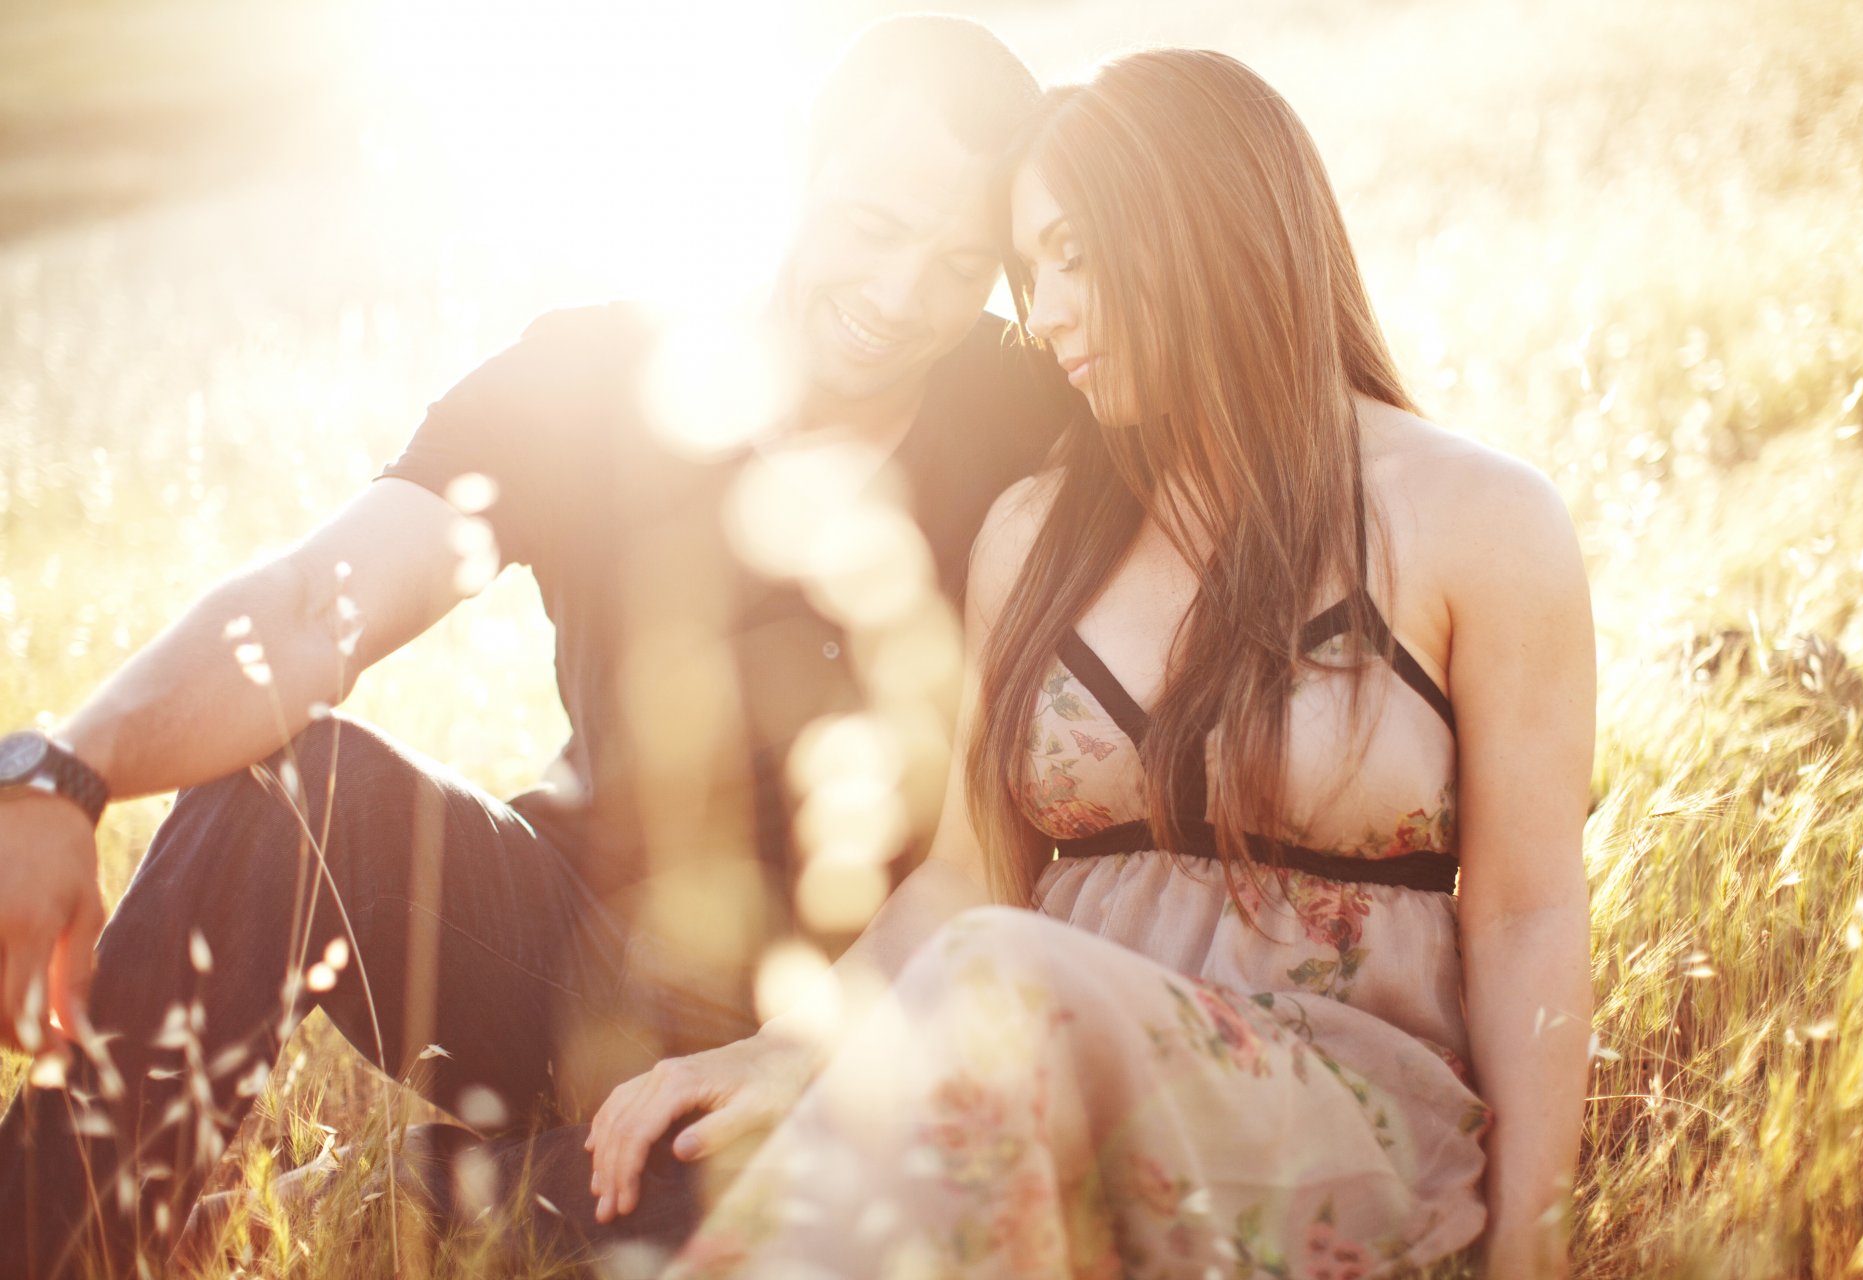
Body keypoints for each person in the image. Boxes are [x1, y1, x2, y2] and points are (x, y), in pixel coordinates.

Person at [0, 16, 1075, 1276]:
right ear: (800, 158)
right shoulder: (594, 376)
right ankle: (46, 1234)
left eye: (961, 263)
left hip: (845, 1029)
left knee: (848, 1219)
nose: (904, 301)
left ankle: (442, 1192)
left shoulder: (1030, 417)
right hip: (567, 953)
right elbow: (310, 605)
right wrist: (63, 770)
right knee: (289, 790)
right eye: (877, 228)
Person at [582, 49, 1596, 1280]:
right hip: (1040, 1110)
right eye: (1029, 269)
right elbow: (968, 878)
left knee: (996, 991)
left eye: (1075, 255)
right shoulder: (1035, 533)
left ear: (1203, 227)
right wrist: (778, 1050)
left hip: (1340, 1128)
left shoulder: (1479, 518)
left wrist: (1532, 1247)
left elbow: (1527, 910)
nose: (1044, 310)